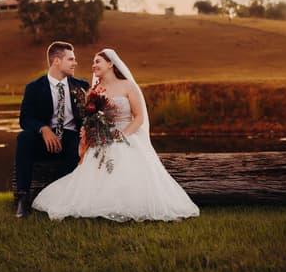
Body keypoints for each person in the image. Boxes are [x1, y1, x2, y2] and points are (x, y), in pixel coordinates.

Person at [32, 48, 200, 222]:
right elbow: (89, 118)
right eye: (93, 62)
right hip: (102, 137)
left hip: (128, 135)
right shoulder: (94, 91)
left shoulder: (128, 86)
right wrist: (90, 132)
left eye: (98, 61)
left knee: (124, 156)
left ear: (110, 63)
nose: (93, 65)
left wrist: (122, 135)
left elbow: (139, 117)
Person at [14, 41, 91, 218]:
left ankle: (53, 193)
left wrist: (86, 131)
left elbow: (90, 116)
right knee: (24, 138)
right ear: (57, 61)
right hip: (44, 139)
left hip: (72, 137)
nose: (75, 63)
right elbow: (25, 119)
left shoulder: (82, 86)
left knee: (76, 149)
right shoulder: (34, 87)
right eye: (71, 59)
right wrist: (43, 129)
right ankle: (23, 197)